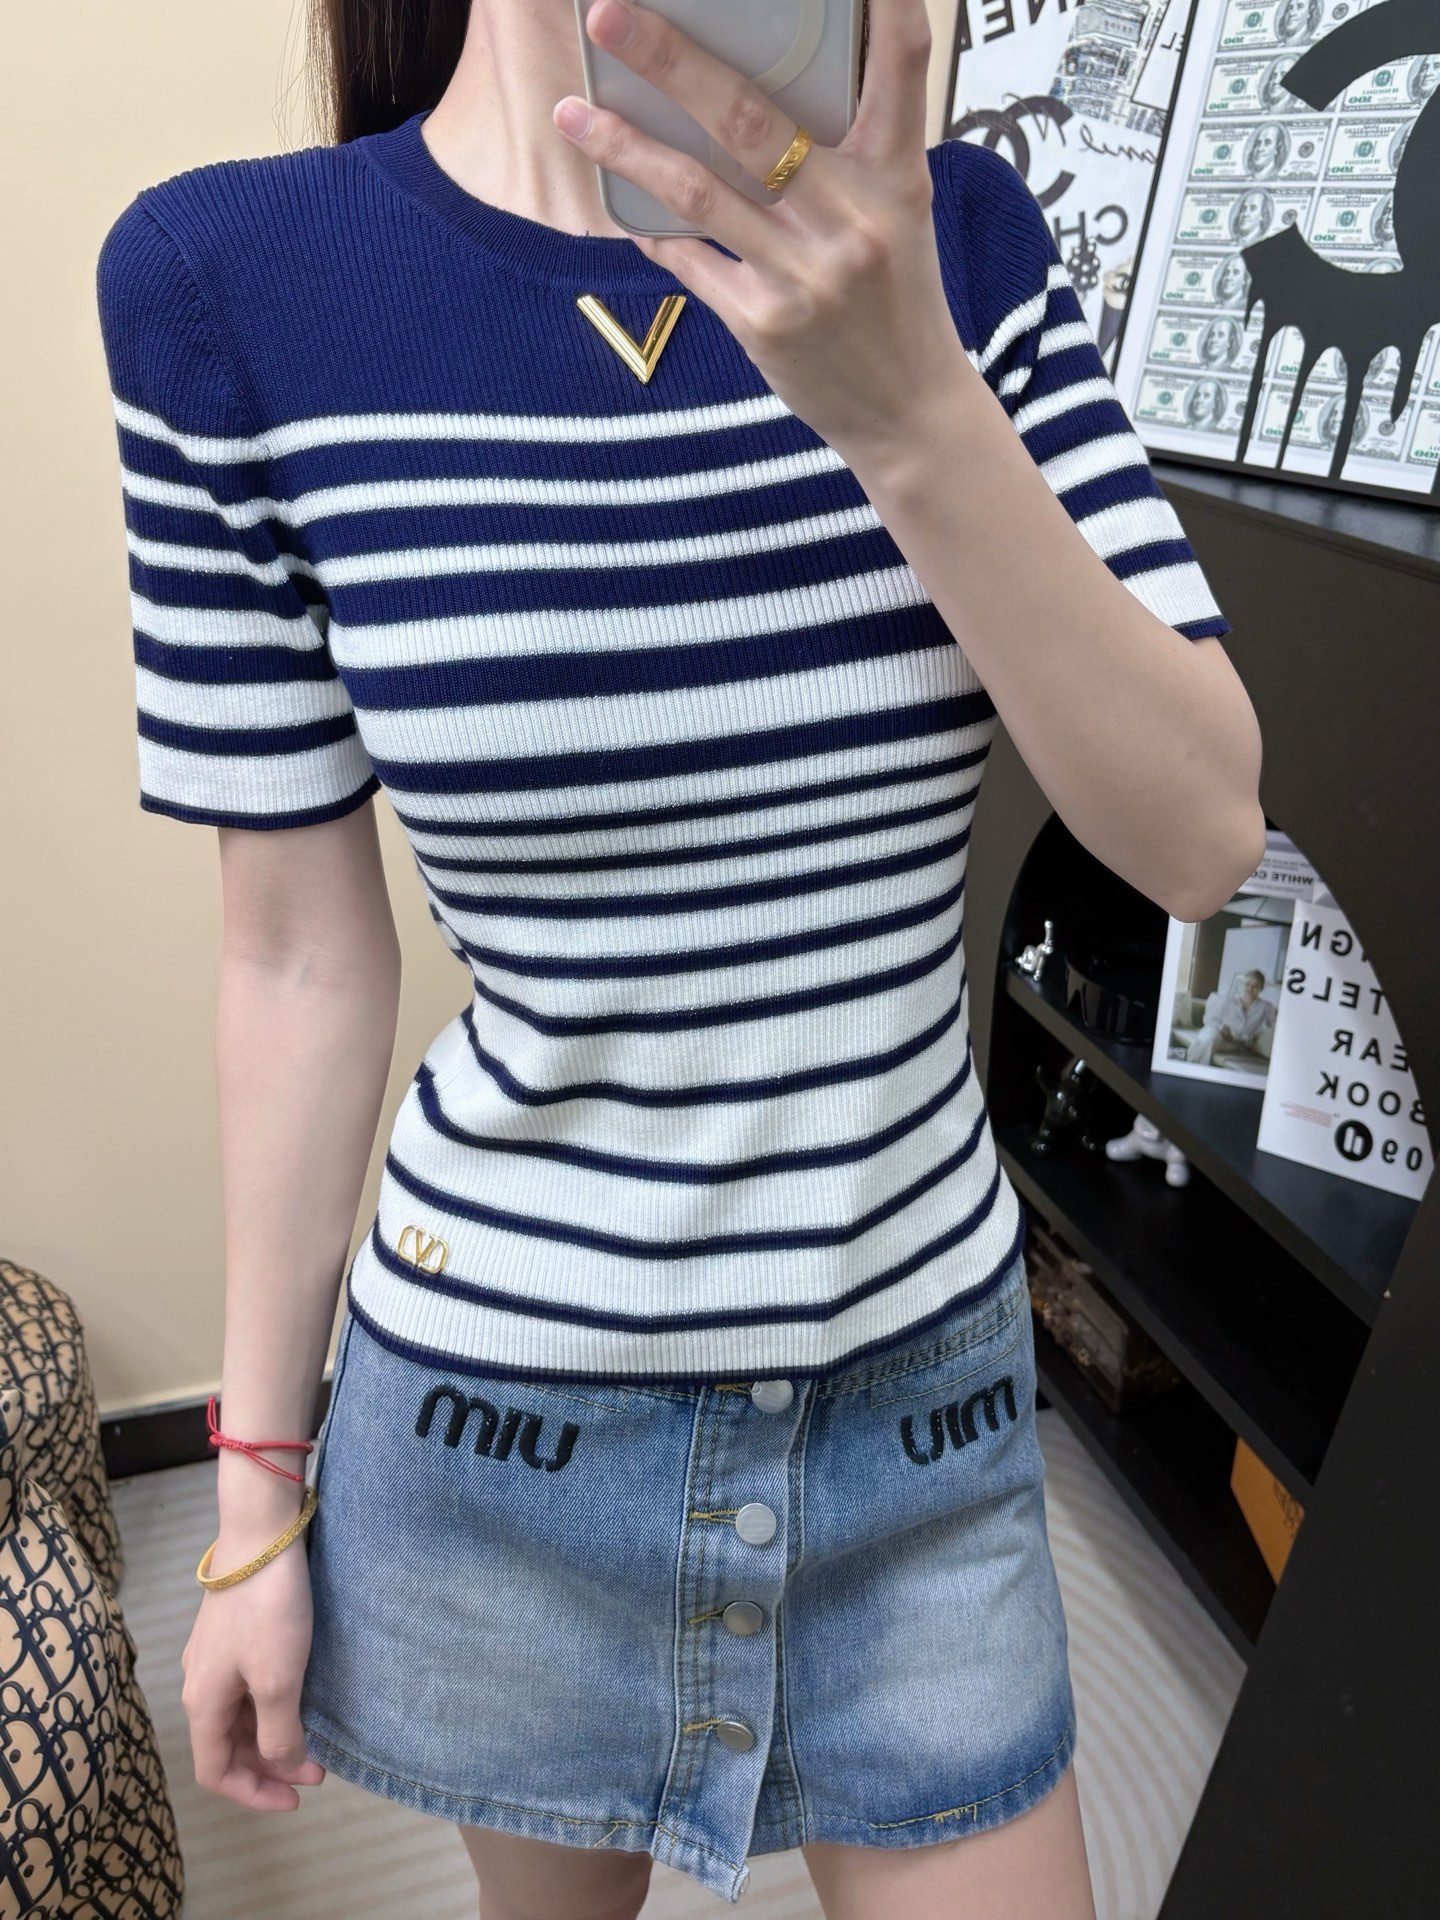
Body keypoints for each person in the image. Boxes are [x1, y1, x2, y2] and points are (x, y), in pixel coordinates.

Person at [93, 2, 1265, 1916]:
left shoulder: (958, 241)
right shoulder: (227, 286)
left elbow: (1200, 837)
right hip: (504, 1425)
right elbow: (299, 965)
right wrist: (250, 1501)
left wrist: (910, 409)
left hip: (920, 1411)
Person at [1183, 968, 1277, 1064]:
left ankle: (1187, 1062)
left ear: (1261, 988)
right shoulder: (1229, 1001)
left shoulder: (1266, 1007)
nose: (1250, 989)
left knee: (1209, 1043)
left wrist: (1249, 1040)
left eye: (1255, 986)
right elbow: (1209, 1019)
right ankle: (1190, 1065)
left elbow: (1271, 1027)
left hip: (1235, 1043)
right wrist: (1221, 1027)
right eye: (1247, 984)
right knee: (1208, 1040)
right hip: (1218, 1031)